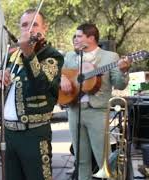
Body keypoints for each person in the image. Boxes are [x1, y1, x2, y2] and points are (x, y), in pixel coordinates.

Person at [0, 9, 64, 180]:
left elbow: (41, 84)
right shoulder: (11, 55)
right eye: (25, 25)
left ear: (44, 28)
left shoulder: (51, 55)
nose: (29, 29)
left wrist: (28, 53)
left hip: (34, 134)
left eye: (34, 24)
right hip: (9, 134)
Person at [60, 23, 131, 180]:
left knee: (103, 159)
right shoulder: (71, 56)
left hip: (97, 111)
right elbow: (60, 73)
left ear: (91, 38)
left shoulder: (110, 57)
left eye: (79, 36)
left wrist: (124, 70)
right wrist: (62, 78)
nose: (75, 39)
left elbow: (120, 84)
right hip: (74, 111)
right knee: (81, 160)